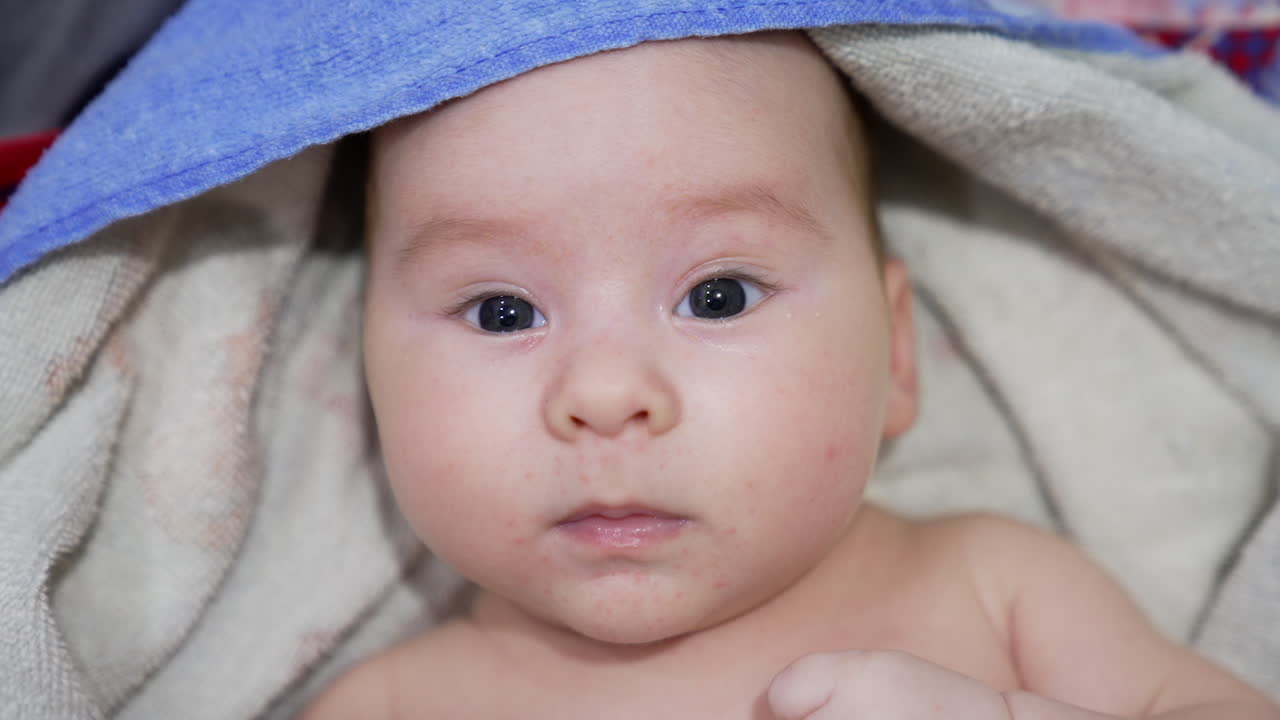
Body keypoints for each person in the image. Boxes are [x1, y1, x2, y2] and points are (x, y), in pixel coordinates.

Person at [303, 31, 1279, 719]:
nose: (602, 395)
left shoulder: (996, 590)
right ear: (367, 370)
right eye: (501, 312)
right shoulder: (392, 703)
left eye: (718, 295)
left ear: (894, 355)